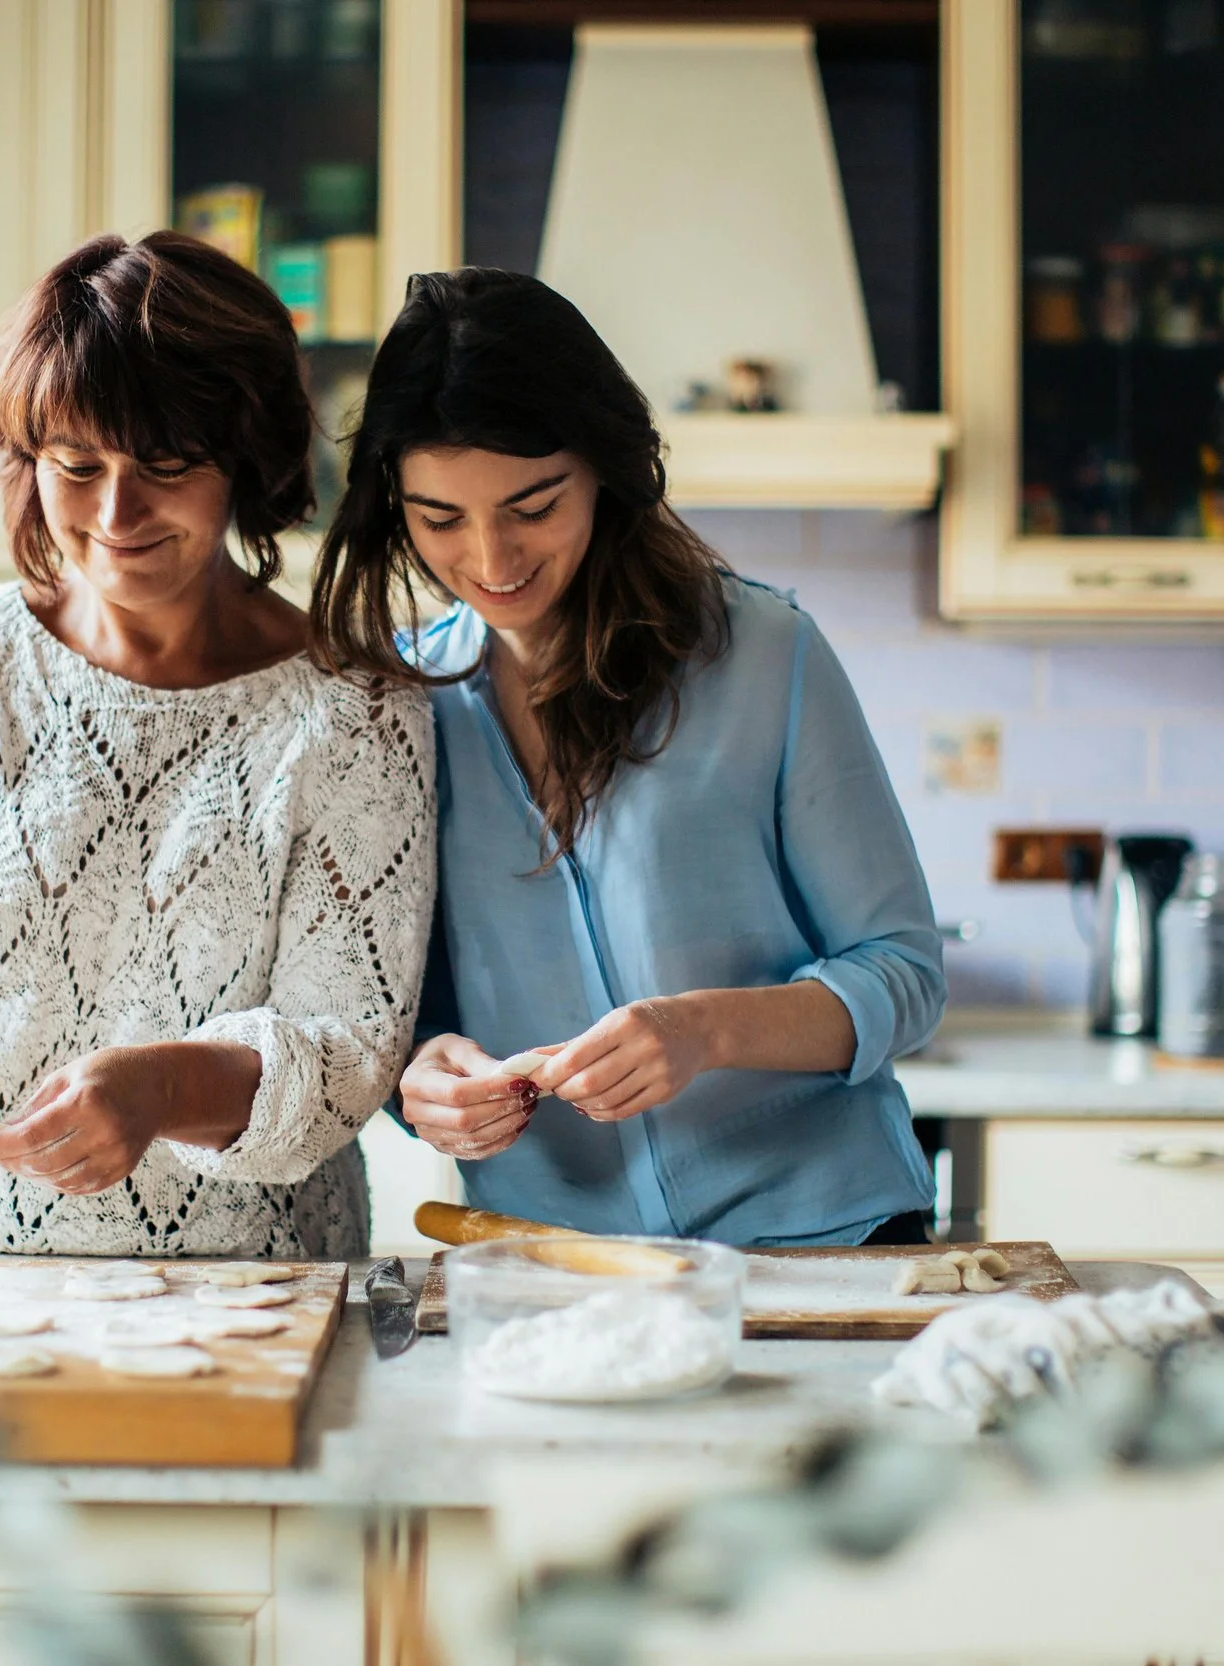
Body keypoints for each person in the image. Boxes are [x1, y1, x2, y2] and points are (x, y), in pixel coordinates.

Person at [0, 233, 436, 1257]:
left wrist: (159, 1089)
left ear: (244, 461)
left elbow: (344, 1054)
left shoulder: (358, 710)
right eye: (76, 465)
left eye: (166, 465)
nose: (116, 513)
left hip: (241, 1302)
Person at [308, 269, 944, 1246]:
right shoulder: (402, 709)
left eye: (533, 503)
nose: (490, 555)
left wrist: (705, 1029)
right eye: (439, 518)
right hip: (553, 1263)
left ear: (604, 467)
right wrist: (424, 1079)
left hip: (827, 1243)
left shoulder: (764, 655)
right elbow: (404, 1013)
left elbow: (903, 973)